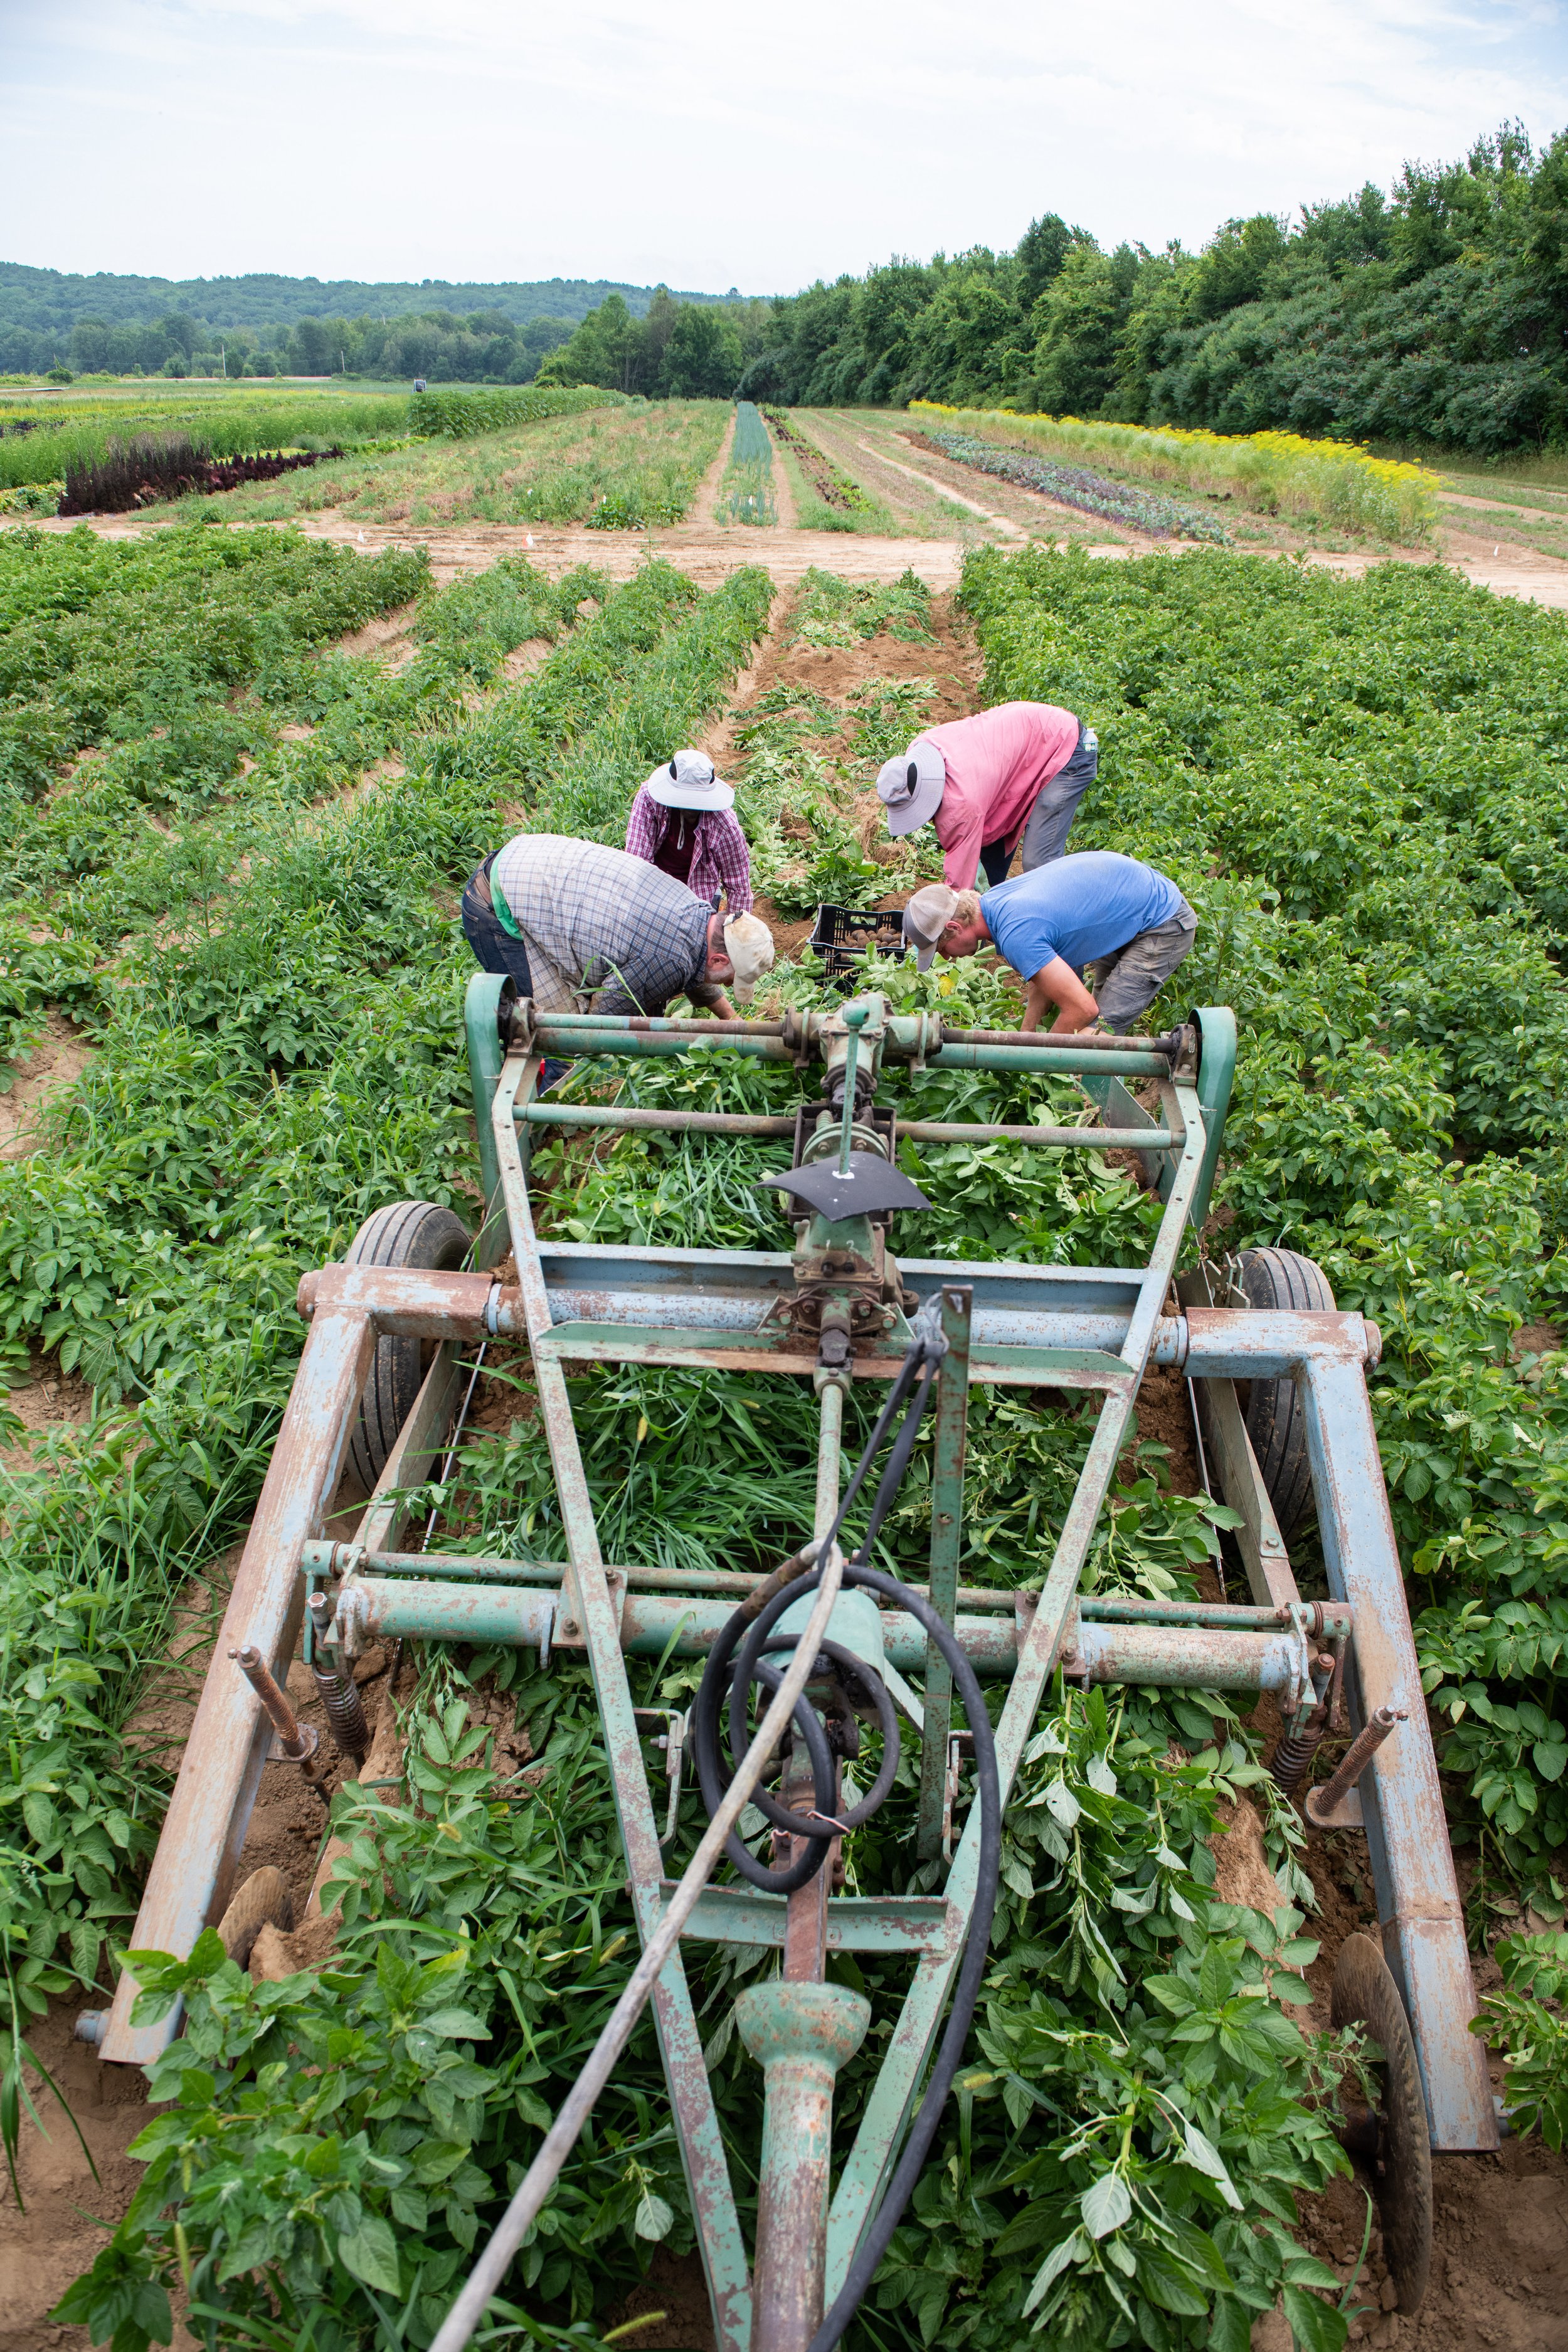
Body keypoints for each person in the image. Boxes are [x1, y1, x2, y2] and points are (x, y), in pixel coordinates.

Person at [462, 835, 774, 1050]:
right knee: (559, 1037)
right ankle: (543, 1121)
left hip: (530, 860)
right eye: (733, 977)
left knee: (570, 1022)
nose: (730, 982)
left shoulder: (698, 918)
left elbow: (695, 969)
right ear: (719, 960)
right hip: (501, 901)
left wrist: (733, 1023)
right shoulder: (671, 957)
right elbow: (603, 1018)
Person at [901, 852, 1197, 1035]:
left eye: (942, 950)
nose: (949, 959)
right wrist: (1027, 1037)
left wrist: (1037, 1066)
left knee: (1098, 1031)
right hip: (1125, 907)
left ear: (954, 928)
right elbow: (1043, 975)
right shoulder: (993, 903)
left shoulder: (1016, 933)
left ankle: (1084, 1114)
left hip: (1161, 923)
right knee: (1089, 1028)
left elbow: (1083, 1011)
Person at [876, 702, 1098, 889]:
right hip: (1028, 738)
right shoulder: (921, 748)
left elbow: (958, 890)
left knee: (1039, 864)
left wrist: (936, 927)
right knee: (988, 853)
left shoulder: (963, 804)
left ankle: (1067, 925)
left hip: (1066, 747)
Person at [626, 749, 754, 911]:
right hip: (655, 890)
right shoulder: (649, 800)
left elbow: (739, 887)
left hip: (700, 897)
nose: (690, 808)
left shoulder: (725, 825)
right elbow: (637, 865)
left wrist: (735, 930)